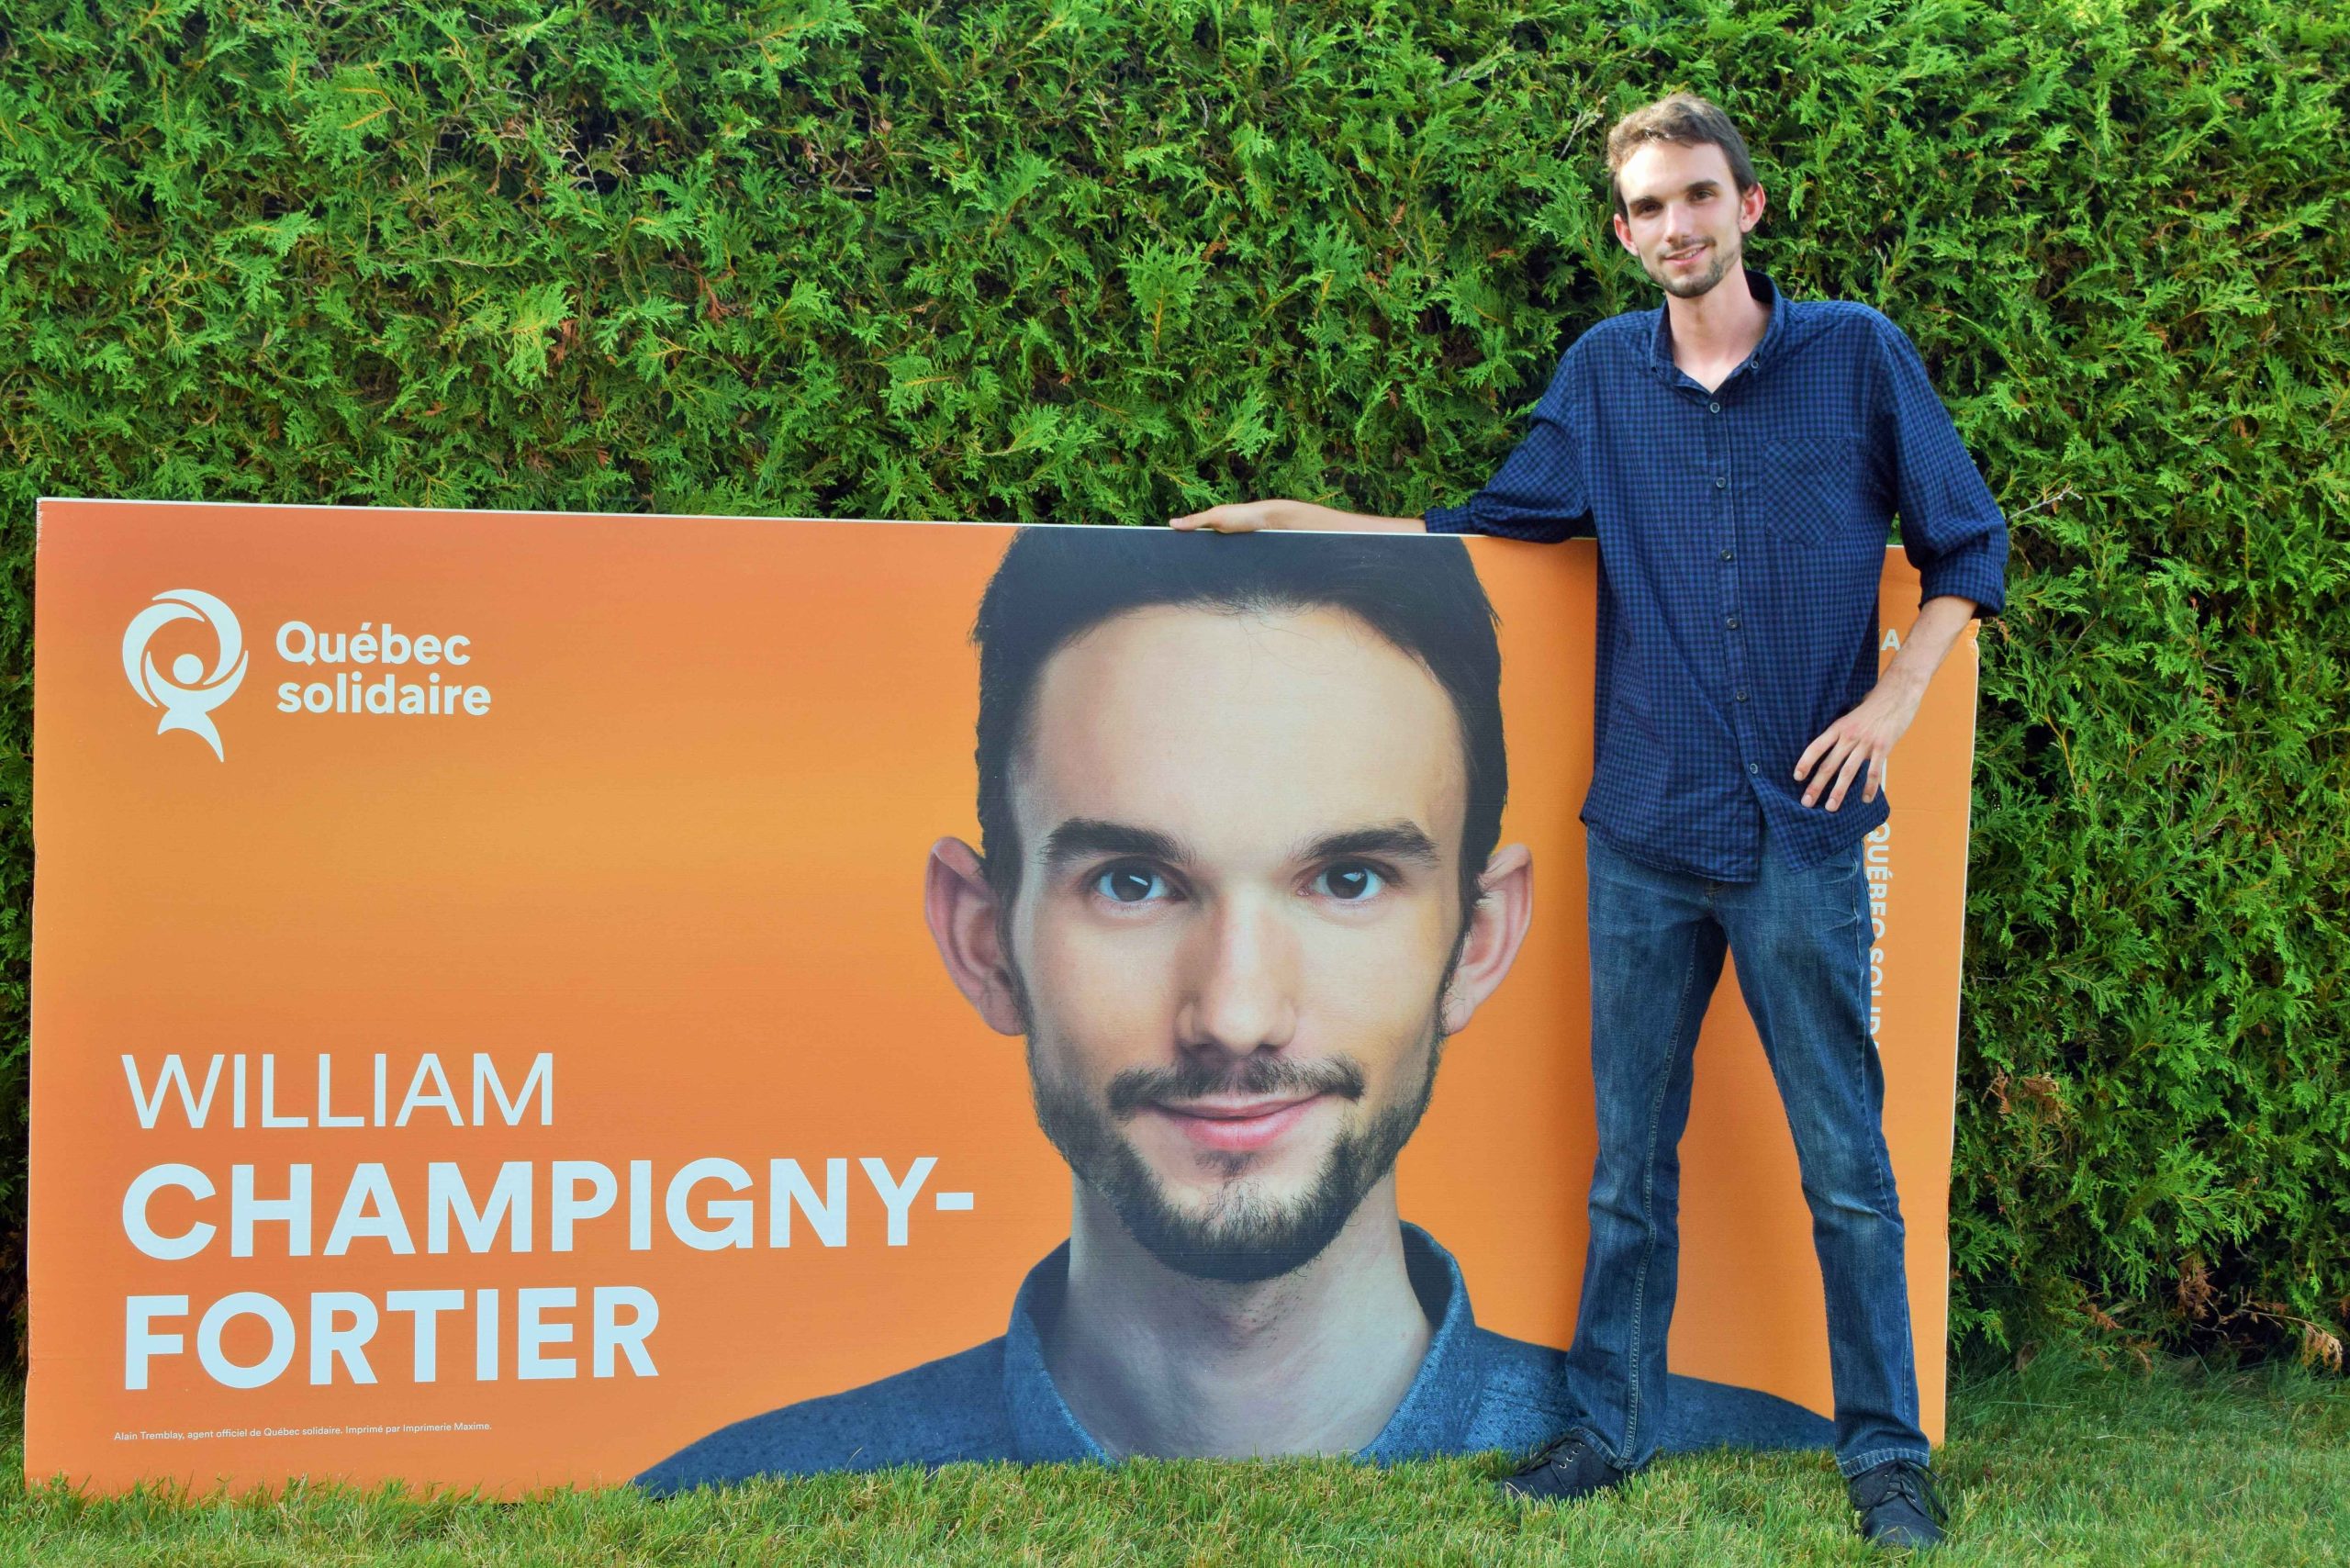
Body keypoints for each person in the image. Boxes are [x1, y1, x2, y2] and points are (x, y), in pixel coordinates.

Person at [1169, 93, 2005, 1551]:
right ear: (1623, 236)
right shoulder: (1605, 375)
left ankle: (1885, 1461)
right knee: (1631, 1164)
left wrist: (1896, 700)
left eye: (1697, 196)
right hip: (1644, 835)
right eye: (1648, 208)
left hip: (1804, 840)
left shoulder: (1857, 356)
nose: (1675, 226)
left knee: (1849, 1173)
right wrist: (1295, 518)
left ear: (1749, 206)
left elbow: (1966, 545)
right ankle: (1604, 1431)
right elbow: (1490, 529)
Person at [636, 525, 1830, 1493]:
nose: (1238, 1015)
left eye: (1348, 880)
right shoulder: (721, 1508)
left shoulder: (1771, 1482)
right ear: (981, 935)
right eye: (1135, 883)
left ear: (1480, 937)